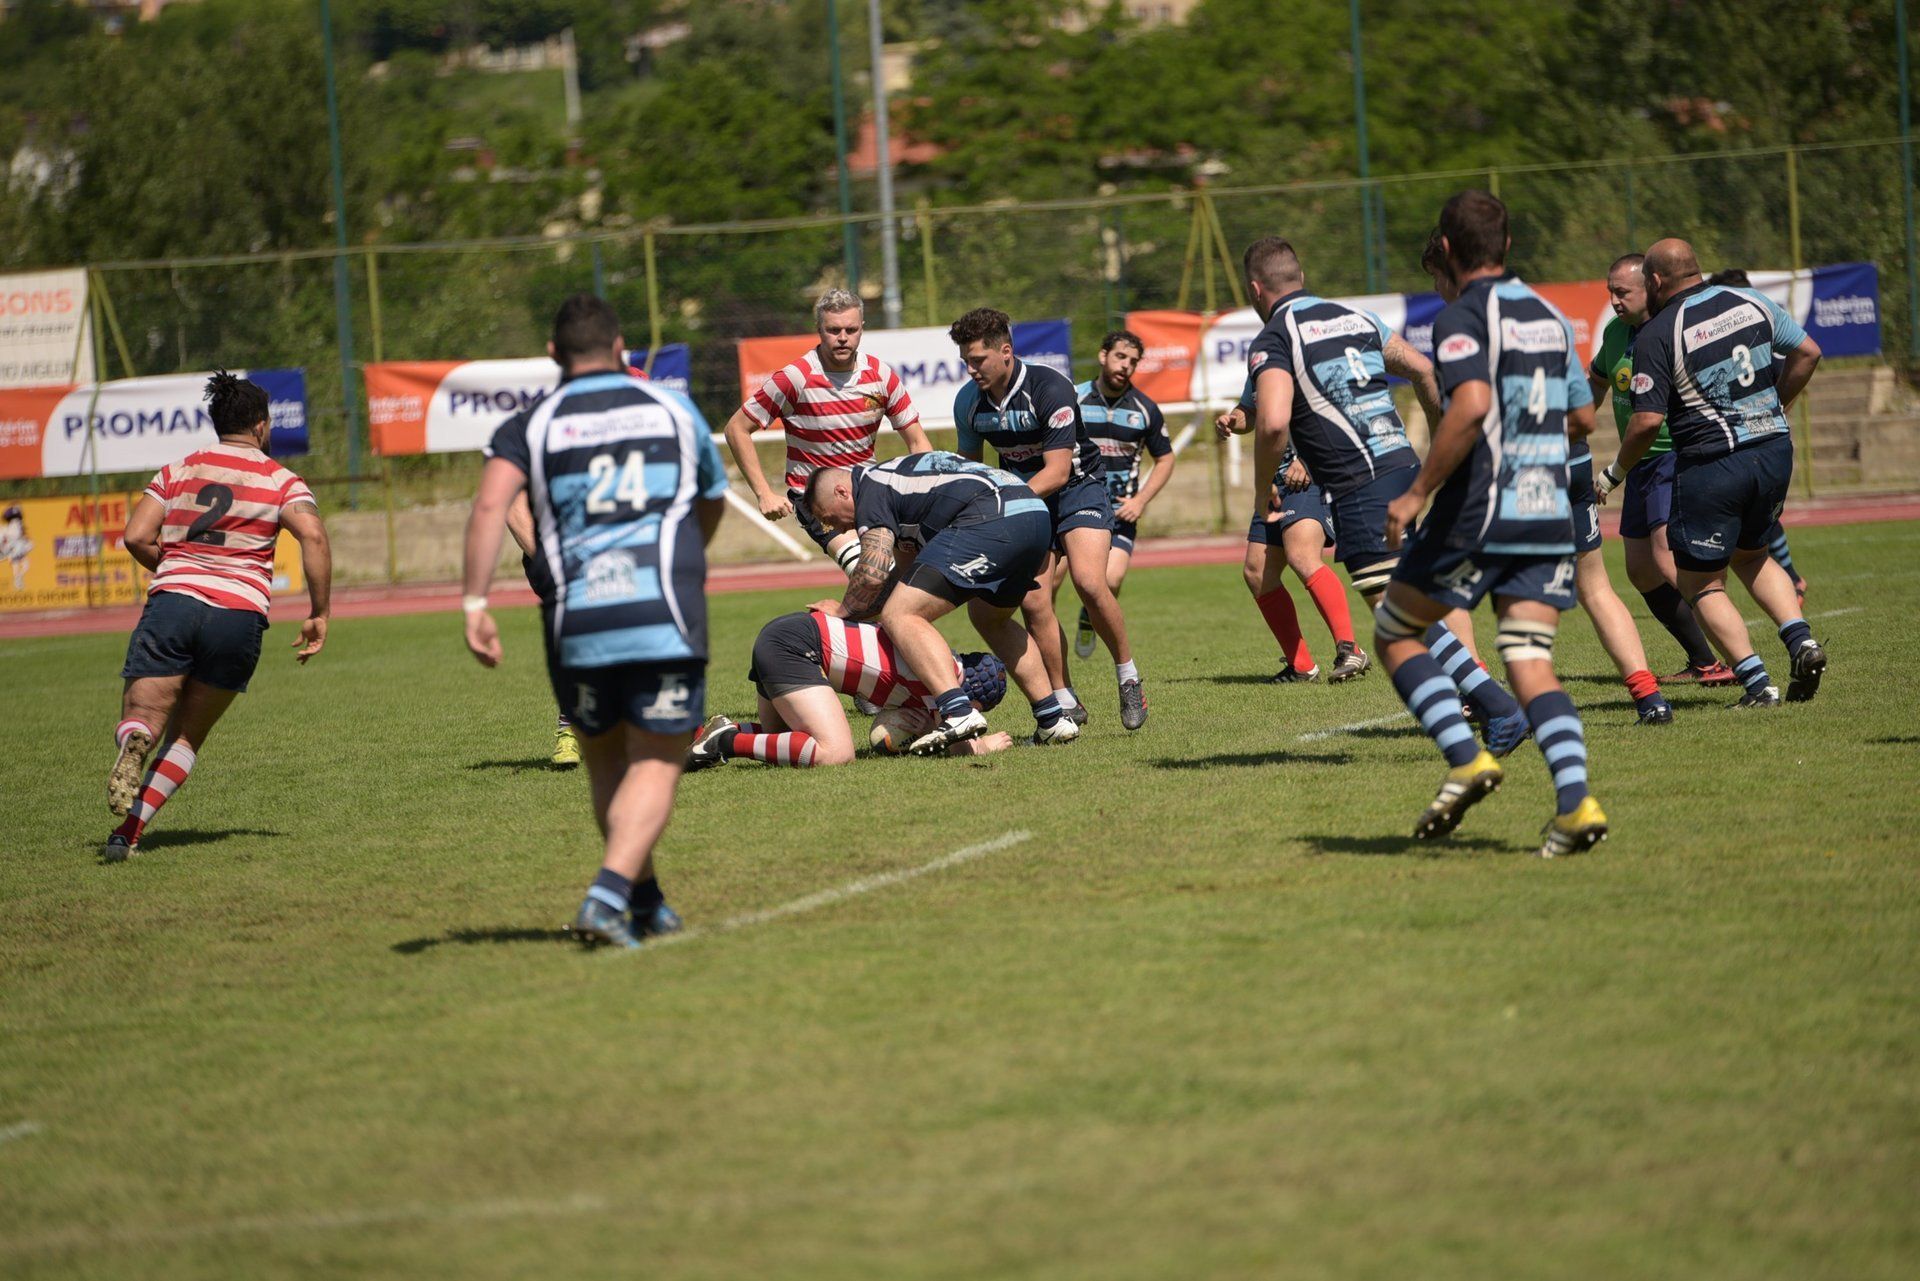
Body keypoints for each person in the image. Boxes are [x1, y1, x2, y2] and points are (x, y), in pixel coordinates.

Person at [462, 293, 728, 950]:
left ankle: (647, 899)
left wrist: (475, 602)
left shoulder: (530, 423)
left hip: (576, 619)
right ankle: (607, 896)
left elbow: (491, 504)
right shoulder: (671, 407)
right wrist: (686, 560)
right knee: (659, 760)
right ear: (619, 348)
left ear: (553, 353)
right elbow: (712, 499)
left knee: (605, 760)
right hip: (662, 610)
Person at [1221, 234, 1536, 751]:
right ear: (1300, 277)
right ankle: (1485, 702)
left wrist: (1261, 490)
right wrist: (1441, 448)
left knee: (1397, 615)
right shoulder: (1354, 317)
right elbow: (1423, 369)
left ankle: (1498, 707)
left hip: (1358, 483)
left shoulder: (1275, 337)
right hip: (1400, 464)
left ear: (1255, 289)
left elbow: (1273, 422)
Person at [1375, 192, 1609, 857]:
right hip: (1548, 511)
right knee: (1530, 659)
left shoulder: (1462, 316)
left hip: (1481, 509)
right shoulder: (1550, 316)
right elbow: (1583, 418)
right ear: (1507, 245)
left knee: (1396, 629)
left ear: (1447, 249)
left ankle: (1465, 756)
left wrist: (1416, 490)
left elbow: (1472, 404)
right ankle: (1576, 804)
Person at [102, 371, 332, 860]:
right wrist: (319, 611)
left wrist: (176, 570)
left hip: (174, 603)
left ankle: (135, 740)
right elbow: (312, 535)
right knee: (187, 735)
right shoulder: (280, 479)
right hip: (238, 614)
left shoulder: (179, 470)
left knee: (144, 717)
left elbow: (136, 536)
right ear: (261, 426)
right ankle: (128, 833)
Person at [1618, 241, 1825, 706]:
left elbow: (1647, 421)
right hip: (1773, 451)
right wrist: (1775, 406)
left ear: (1655, 281)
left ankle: (1757, 684)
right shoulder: (1750, 300)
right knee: (1752, 556)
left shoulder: (1659, 331)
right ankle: (1802, 642)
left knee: (1699, 582)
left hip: (1713, 463)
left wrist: (1615, 472)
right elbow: (1808, 352)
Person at [949, 307, 1147, 731]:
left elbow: (1057, 472)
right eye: (965, 360)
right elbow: (971, 473)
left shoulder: (1049, 387)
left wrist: (1001, 505)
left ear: (1006, 351)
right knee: (1034, 601)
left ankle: (1128, 676)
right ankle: (1064, 698)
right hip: (1028, 502)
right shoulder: (968, 402)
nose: (971, 369)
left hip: (1078, 488)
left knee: (1089, 582)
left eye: (978, 359)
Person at [803, 452, 1079, 752]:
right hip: (1033, 514)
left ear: (841, 492)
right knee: (991, 619)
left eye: (831, 519)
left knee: (900, 614)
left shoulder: (869, 490)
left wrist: (842, 611)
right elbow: (899, 579)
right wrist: (859, 614)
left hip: (993, 514)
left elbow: (872, 572)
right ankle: (1052, 719)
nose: (841, 529)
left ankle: (958, 711)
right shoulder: (897, 490)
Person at [1587, 255, 1734, 685]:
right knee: (1640, 569)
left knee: (1669, 561)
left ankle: (1744, 661)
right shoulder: (1615, 333)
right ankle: (1706, 662)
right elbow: (1597, 380)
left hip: (1676, 456)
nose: (1614, 301)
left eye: (1622, 292)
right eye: (1610, 292)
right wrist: (1576, 422)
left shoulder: (1671, 330)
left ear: (1649, 288)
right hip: (1639, 462)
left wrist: (1612, 473)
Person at [722, 289, 931, 574]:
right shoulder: (795, 378)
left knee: (907, 578)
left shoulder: (881, 375)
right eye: (833, 330)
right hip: (816, 499)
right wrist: (764, 493)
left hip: (867, 493)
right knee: (871, 573)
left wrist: (926, 493)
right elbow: (736, 429)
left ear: (862, 329)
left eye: (851, 330)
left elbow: (918, 442)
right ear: (819, 330)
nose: (843, 337)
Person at [686, 610, 1014, 768]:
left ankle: (696, 736)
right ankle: (724, 742)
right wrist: (984, 745)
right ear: (971, 700)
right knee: (836, 752)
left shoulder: (936, 662)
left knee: (780, 738)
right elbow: (960, 748)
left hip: (787, 635)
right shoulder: (946, 675)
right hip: (798, 646)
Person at [1066, 331, 1175, 663]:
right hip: (1074, 506)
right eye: (1120, 357)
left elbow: (1166, 459)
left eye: (1133, 361)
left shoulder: (1145, 409)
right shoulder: (1073, 398)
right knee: (1050, 584)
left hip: (1119, 512)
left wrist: (1140, 501)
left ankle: (1087, 617)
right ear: (1103, 356)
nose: (1126, 365)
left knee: (1110, 580)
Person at [1703, 269, 1809, 600]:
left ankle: (1789, 578)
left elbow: (1799, 366)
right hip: (1758, 446)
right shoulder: (1754, 342)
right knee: (1758, 517)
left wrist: (1773, 413)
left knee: (1755, 519)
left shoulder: (1759, 348)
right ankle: (1791, 577)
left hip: (1755, 446)